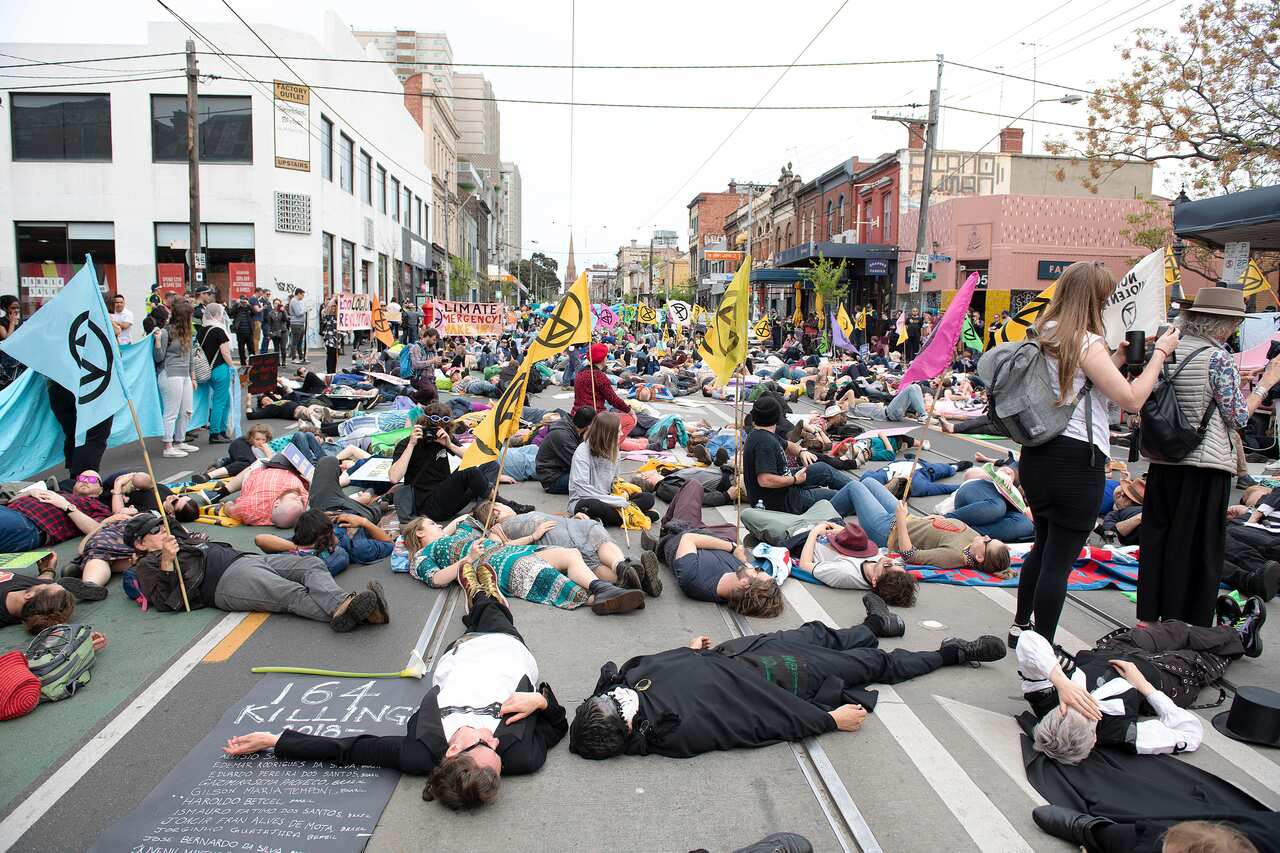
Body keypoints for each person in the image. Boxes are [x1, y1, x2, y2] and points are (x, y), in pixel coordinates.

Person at [222, 570, 563, 811]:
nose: (497, 742)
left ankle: (476, 599)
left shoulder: (419, 752)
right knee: (494, 613)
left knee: (475, 619)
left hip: (456, 656)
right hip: (505, 648)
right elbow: (557, 726)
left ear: (453, 749)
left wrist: (273, 740)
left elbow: (350, 749)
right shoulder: (521, 757)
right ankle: (484, 595)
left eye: (487, 746)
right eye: (497, 754)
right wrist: (541, 700)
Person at [1011, 262, 1181, 647]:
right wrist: (1159, 356)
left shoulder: (1044, 333)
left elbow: (1076, 387)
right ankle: (1040, 653)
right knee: (1059, 559)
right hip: (1076, 460)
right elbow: (1133, 399)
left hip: (1037, 455)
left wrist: (1116, 360)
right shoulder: (1086, 341)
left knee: (1044, 543)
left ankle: (1020, 626)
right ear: (1094, 300)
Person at [568, 620, 1005, 760]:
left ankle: (874, 626)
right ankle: (952, 653)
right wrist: (827, 720)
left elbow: (649, 665)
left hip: (745, 650)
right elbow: (756, 724)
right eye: (615, 705)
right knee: (873, 665)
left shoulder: (627, 684)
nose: (618, 694)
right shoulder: (673, 730)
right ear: (625, 730)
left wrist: (686, 648)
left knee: (816, 632)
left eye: (609, 697)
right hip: (780, 677)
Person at [1140, 287, 1280, 627]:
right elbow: (1238, 418)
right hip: (1204, 462)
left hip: (1163, 458)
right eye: (1233, 322)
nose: (1233, 329)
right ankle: (1186, 619)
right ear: (1221, 324)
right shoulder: (1218, 358)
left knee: (1159, 537)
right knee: (1199, 545)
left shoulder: (1167, 352)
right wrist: (1265, 385)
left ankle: (1148, 617)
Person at [1018, 604, 1263, 768]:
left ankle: (1227, 632)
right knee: (1201, 659)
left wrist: (1061, 682)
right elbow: (1190, 733)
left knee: (1175, 630)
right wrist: (1146, 688)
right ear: (1093, 741)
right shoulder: (1121, 734)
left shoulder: (1045, 699)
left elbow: (1028, 640)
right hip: (1161, 678)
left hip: (1116, 652)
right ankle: (1238, 635)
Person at [128, 513, 388, 629]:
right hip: (224, 581)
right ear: (140, 543)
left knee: (311, 563)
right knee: (292, 593)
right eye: (155, 530)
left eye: (162, 526)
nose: (163, 531)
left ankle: (343, 607)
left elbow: (171, 518)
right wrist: (166, 561)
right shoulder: (147, 564)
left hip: (247, 560)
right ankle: (358, 612)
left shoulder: (177, 539)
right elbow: (165, 601)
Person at [402, 514, 643, 614]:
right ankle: (599, 600)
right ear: (420, 535)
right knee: (545, 576)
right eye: (431, 525)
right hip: (491, 565)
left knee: (568, 554)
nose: (438, 526)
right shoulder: (423, 555)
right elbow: (436, 579)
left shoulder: (455, 535)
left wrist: (445, 529)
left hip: (509, 550)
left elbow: (465, 518)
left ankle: (603, 588)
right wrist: (467, 560)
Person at [824, 477, 1012, 574]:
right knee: (868, 482)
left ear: (979, 557)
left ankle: (820, 516)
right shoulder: (974, 540)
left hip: (888, 530)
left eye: (989, 542)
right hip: (906, 519)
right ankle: (832, 514)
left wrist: (900, 519)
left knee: (854, 487)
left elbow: (910, 555)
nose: (986, 537)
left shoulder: (954, 556)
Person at [472, 501, 660, 596]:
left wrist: (573, 517)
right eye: (504, 505)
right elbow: (498, 550)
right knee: (591, 554)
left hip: (564, 525)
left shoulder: (524, 515)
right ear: (496, 510)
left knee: (595, 538)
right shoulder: (496, 529)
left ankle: (623, 570)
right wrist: (532, 537)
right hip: (547, 536)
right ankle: (631, 575)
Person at [388, 406, 528, 523]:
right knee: (468, 471)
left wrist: (449, 444)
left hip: (447, 496)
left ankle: (484, 503)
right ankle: (504, 504)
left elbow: (475, 459)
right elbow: (394, 477)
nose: (433, 433)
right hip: (429, 506)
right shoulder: (407, 443)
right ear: (422, 424)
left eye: (440, 428)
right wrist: (412, 445)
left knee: (490, 465)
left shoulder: (442, 438)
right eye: (430, 428)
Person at [742, 395, 851, 514]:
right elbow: (765, 480)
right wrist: (794, 480)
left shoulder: (761, 433)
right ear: (777, 418)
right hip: (782, 501)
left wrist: (801, 452)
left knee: (822, 469)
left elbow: (787, 445)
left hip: (784, 486)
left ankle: (861, 490)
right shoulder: (764, 442)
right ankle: (861, 495)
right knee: (842, 498)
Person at [792, 521, 919, 607]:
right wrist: (843, 531)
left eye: (887, 566)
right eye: (897, 565)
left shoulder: (844, 573)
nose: (890, 561)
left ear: (874, 581)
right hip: (834, 532)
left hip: (802, 537)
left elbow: (805, 565)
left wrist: (814, 532)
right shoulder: (882, 570)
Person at [568, 412, 656, 527]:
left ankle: (625, 515)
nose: (622, 433)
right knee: (592, 506)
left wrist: (621, 491)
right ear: (607, 434)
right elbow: (583, 490)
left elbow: (614, 480)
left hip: (609, 498)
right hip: (585, 500)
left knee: (648, 498)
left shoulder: (614, 449)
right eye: (618, 431)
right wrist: (614, 501)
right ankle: (632, 516)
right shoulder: (582, 452)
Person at [154, 298, 198, 458]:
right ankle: (168, 445)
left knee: (187, 410)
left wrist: (192, 376)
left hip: (184, 375)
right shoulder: (166, 332)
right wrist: (158, 341)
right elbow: (159, 358)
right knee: (171, 412)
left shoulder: (187, 332)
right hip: (170, 374)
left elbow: (190, 356)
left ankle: (180, 441)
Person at [1222, 485, 1280, 599]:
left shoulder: (1265, 505)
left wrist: (1255, 513)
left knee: (1210, 541)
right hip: (1260, 535)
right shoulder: (1259, 507)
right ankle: (1251, 580)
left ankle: (1250, 580)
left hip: (1267, 537)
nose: (1247, 498)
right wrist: (1248, 512)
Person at [572, 343, 636, 440]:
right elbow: (613, 399)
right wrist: (629, 410)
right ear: (603, 358)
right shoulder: (599, 376)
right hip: (595, 417)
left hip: (577, 414)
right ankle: (610, 447)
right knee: (630, 420)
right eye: (606, 356)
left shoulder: (580, 373)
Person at [197, 302, 235, 445]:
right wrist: (232, 367)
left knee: (222, 401)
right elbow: (225, 352)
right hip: (220, 368)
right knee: (221, 402)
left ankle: (221, 430)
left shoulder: (201, 330)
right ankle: (216, 433)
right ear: (216, 314)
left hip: (206, 369)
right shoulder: (219, 330)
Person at [535, 407, 594, 494]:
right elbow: (578, 463)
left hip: (562, 470)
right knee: (594, 479)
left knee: (598, 475)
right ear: (589, 425)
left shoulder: (574, 429)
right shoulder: (562, 436)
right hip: (553, 480)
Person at [231, 296, 254, 365]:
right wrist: (236, 304)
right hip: (240, 332)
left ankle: (253, 363)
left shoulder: (249, 308)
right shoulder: (237, 308)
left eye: (245, 302)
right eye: (242, 302)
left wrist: (249, 305)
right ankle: (243, 364)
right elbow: (230, 313)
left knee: (251, 349)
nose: (243, 303)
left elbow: (255, 313)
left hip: (249, 332)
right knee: (241, 349)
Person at [287, 288, 308, 364]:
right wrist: (305, 310)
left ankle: (301, 357)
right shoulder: (294, 301)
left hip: (300, 323)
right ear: (298, 294)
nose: (303, 297)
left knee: (299, 342)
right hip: (296, 324)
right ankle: (294, 358)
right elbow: (298, 313)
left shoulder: (297, 301)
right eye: (302, 295)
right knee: (295, 342)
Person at [320, 296, 339, 374]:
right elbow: (325, 312)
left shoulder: (338, 313)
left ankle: (333, 372)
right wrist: (334, 299)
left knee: (335, 356)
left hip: (336, 336)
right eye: (333, 306)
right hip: (330, 336)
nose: (334, 308)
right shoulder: (327, 312)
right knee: (330, 354)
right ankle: (329, 372)